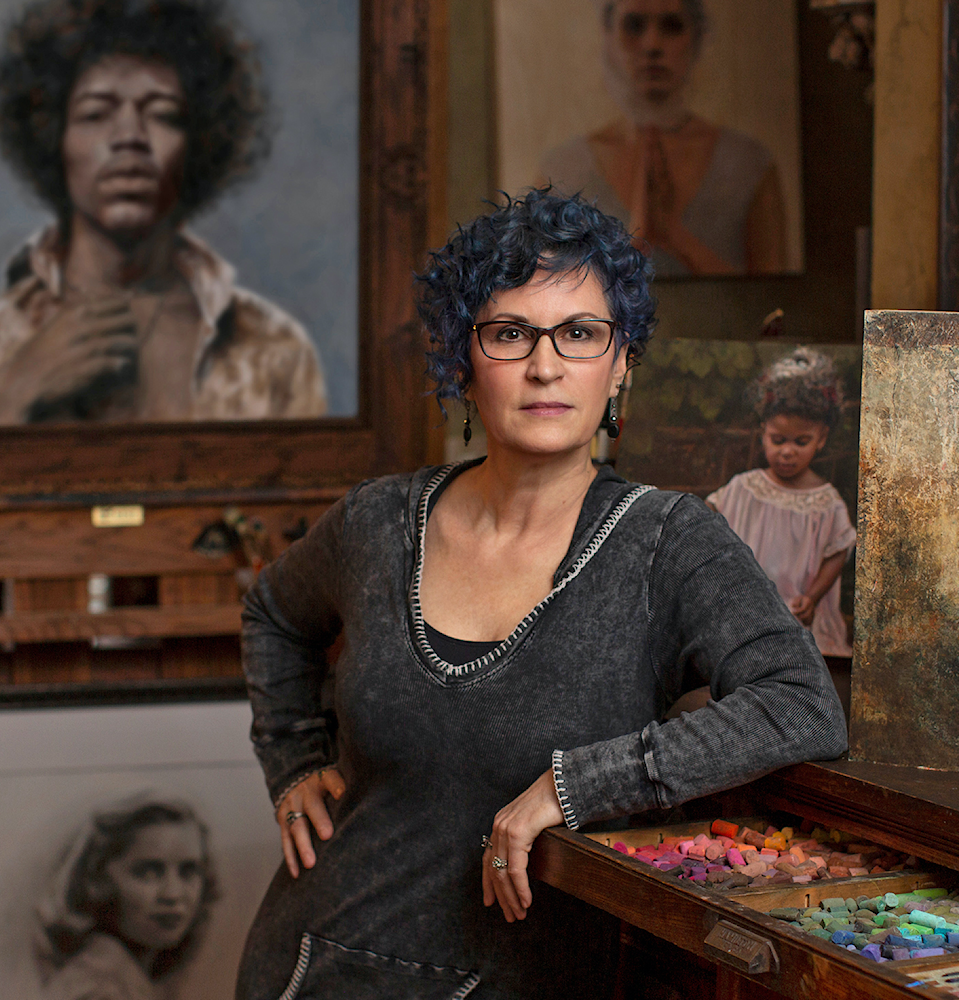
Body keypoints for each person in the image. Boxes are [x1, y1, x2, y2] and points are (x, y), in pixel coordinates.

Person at [235, 189, 847, 1000]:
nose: (545, 366)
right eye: (509, 333)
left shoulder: (669, 543)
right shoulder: (375, 521)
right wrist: (292, 762)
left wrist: (579, 784)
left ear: (621, 362)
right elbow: (273, 613)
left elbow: (800, 705)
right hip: (311, 963)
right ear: (463, 360)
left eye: (580, 333)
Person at [0, 0, 327, 424]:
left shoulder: (274, 350)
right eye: (95, 113)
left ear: (199, 144)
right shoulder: (0, 338)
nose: (130, 136)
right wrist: (13, 393)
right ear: (53, 139)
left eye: (163, 115)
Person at [539, 0, 787, 277]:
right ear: (608, 36)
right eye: (634, 25)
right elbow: (545, 291)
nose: (652, 45)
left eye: (671, 26)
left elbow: (775, 291)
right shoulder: (562, 171)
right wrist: (641, 238)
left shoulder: (748, 164)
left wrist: (676, 238)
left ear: (697, 37)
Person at [707, 348, 857, 658]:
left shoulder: (826, 502)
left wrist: (812, 597)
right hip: (746, 612)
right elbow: (709, 516)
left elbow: (839, 551)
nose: (787, 451)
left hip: (796, 617)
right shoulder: (745, 488)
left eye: (801, 442)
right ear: (764, 433)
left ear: (821, 438)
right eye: (778, 440)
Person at [36, 793, 217, 1000]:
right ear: (98, 879)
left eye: (188, 872)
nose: (173, 894)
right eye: (149, 873)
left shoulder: (130, 977)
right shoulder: (98, 990)